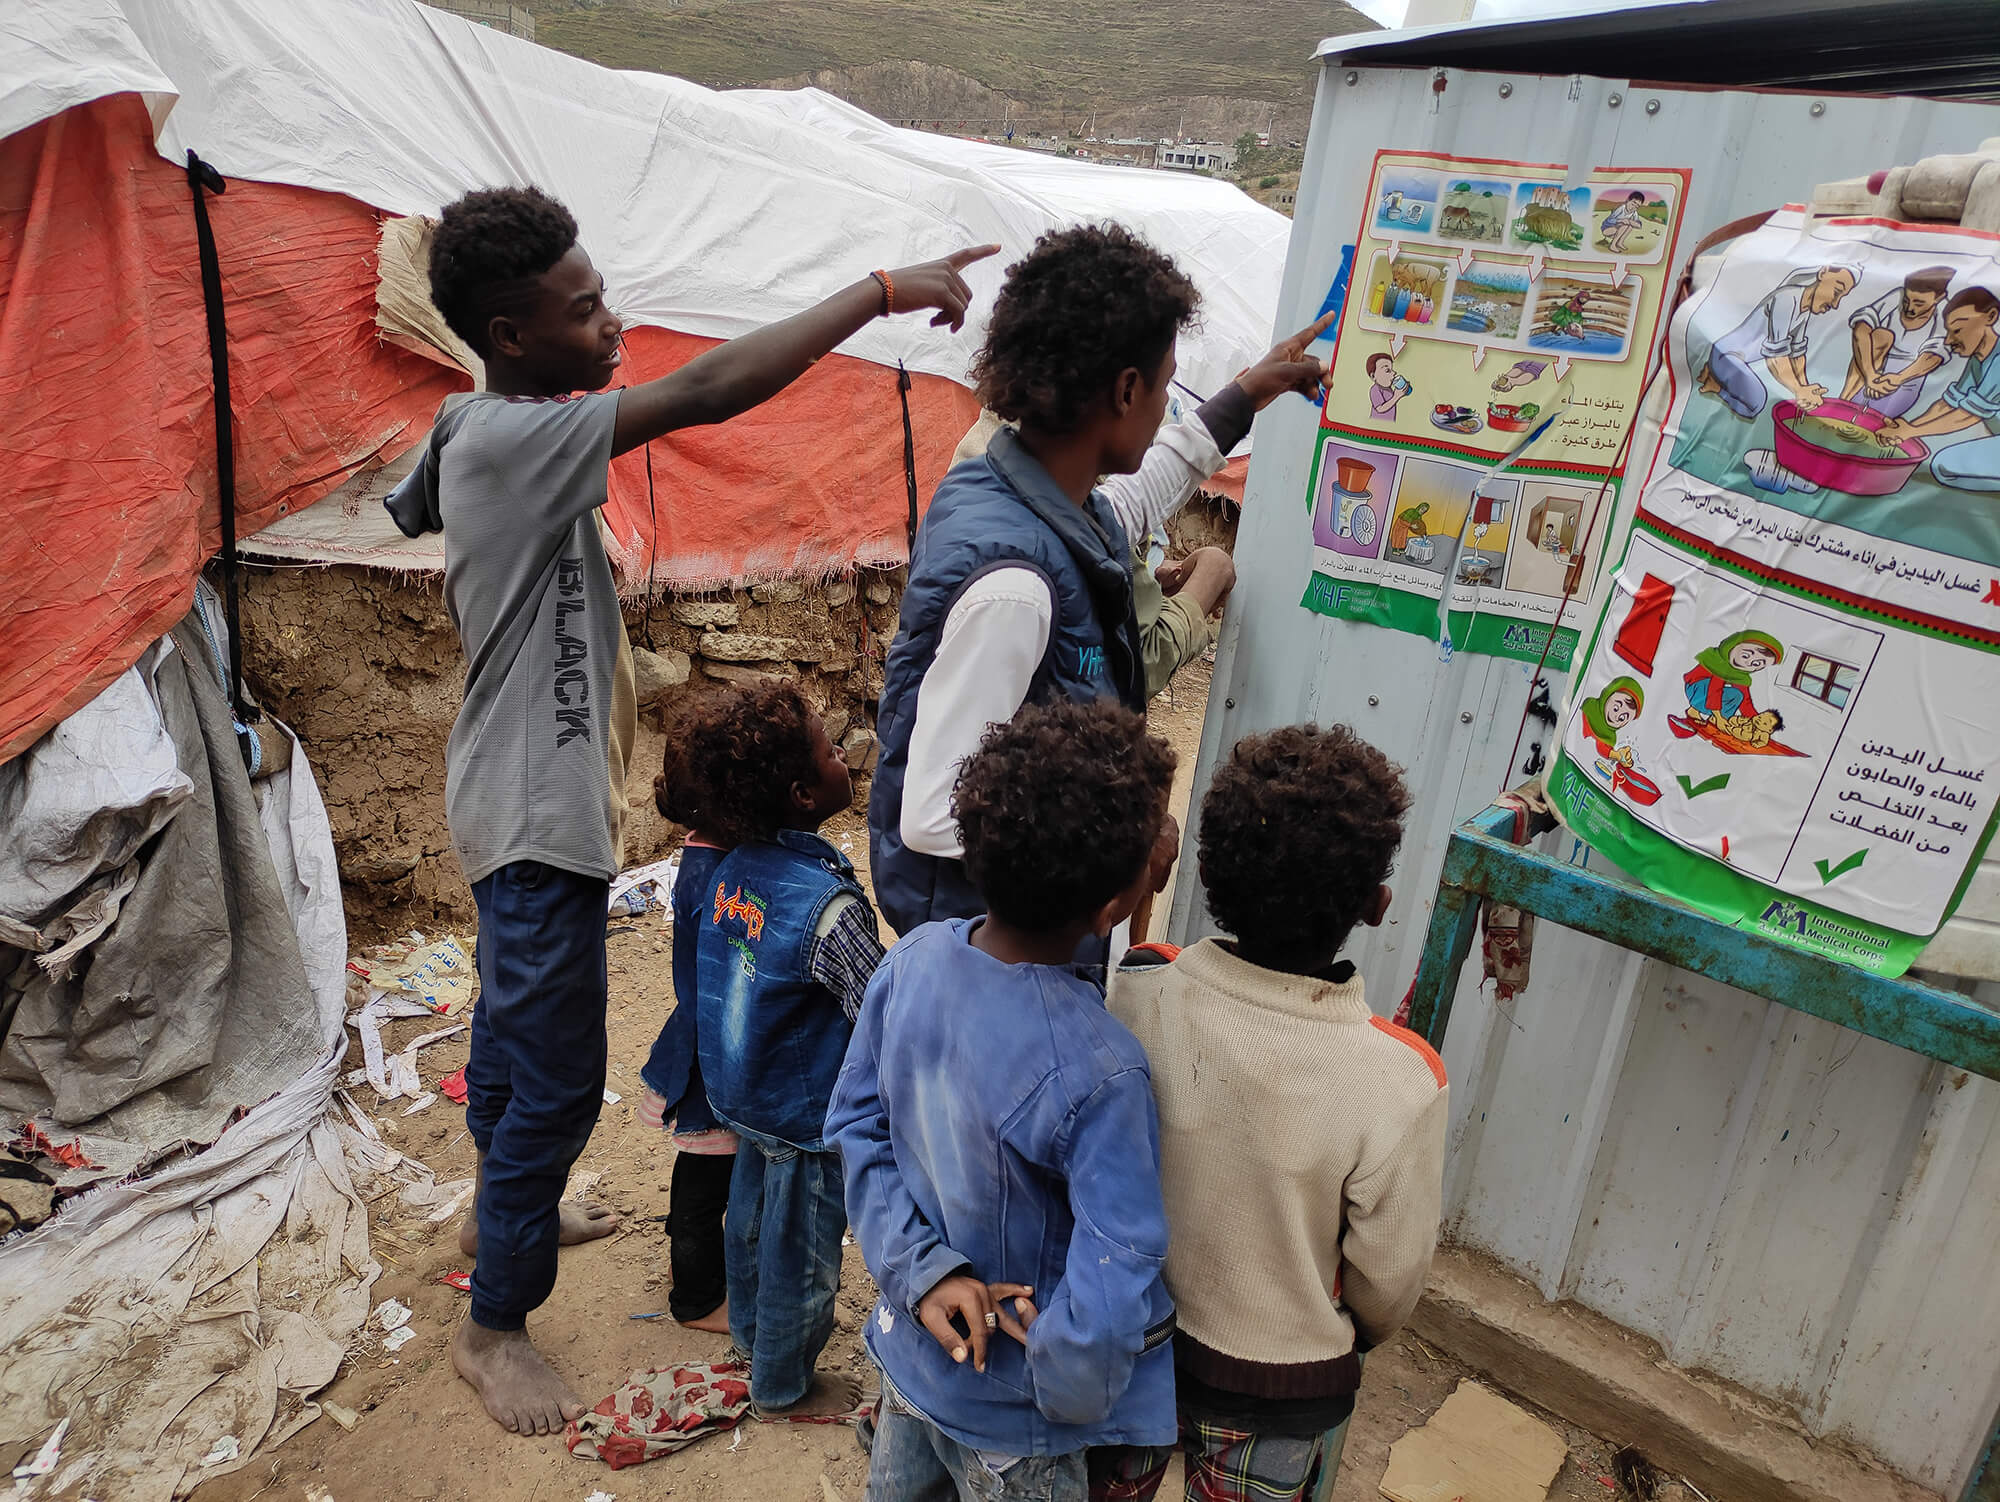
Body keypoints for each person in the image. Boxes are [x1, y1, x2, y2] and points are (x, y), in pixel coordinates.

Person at [385, 183, 992, 1434]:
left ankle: (508, 1193)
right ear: (509, 331)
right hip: (530, 812)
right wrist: (880, 292)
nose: (612, 319)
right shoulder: (510, 437)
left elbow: (417, 484)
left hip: (517, 791)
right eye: (585, 304)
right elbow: (709, 392)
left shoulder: (489, 420)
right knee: (555, 1077)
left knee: (511, 1033)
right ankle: (493, 1321)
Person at [870, 224, 1330, 937]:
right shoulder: (1015, 590)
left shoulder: (1027, 489)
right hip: (992, 959)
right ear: (1124, 390)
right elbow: (933, 817)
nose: (1168, 407)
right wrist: (1122, 852)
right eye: (1167, 382)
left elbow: (1145, 489)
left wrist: (1246, 395)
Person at [826, 700, 1181, 1500]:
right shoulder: (1103, 1070)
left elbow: (854, 1125)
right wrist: (1062, 1397)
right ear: (1114, 907)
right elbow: (1117, 1263)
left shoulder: (914, 958)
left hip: (918, 1357)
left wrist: (919, 1274)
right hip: (1019, 1420)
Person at [1102, 725, 1446, 1502]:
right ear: (1377, 903)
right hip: (1282, 1387)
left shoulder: (1141, 991)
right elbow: (1387, 1287)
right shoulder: (1402, 1078)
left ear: (1211, 874)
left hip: (1129, 1346)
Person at [687, 681, 885, 1417]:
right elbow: (877, 1011)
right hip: (806, 1117)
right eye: (834, 751)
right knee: (802, 1261)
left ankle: (748, 1341)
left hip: (746, 1095)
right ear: (804, 793)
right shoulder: (826, 908)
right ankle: (782, 1386)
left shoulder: (733, 870)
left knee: (749, 1229)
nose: (847, 758)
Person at [634, 693, 744, 1337]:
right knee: (705, 1181)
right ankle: (698, 1300)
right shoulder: (715, 873)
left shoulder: (708, 852)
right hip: (710, 1053)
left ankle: (699, 1271)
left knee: (705, 1177)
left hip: (705, 1040)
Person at [1696, 263, 1859, 420]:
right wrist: (1798, 390)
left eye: (1842, 297)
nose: (1835, 304)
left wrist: (1805, 387)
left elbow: (1797, 354)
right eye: (1837, 291)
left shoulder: (1804, 311)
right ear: (1823, 273)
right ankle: (1716, 385)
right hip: (1725, 356)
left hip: (1739, 362)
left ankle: (1715, 378)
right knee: (1756, 403)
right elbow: (1776, 356)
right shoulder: (1787, 299)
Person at [1878, 286, 2000, 491]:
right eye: (1949, 332)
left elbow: (1967, 416)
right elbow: (1947, 404)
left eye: (1958, 330)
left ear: (1991, 316)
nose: (1950, 341)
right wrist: (1907, 428)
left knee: (1944, 466)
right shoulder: (1977, 360)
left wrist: (1911, 431)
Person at [1840, 265, 1954, 418]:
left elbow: (1933, 357)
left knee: (1872, 421)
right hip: (1872, 366)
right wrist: (1871, 375)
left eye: (1919, 303)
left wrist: (1897, 379)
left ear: (1938, 298)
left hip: (1907, 377)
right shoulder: (1897, 296)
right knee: (1882, 335)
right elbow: (1861, 327)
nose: (1910, 308)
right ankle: (1842, 402)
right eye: (1907, 301)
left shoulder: (1945, 313)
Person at [1682, 630, 1783, 723]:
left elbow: (1745, 701)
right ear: (1732, 645)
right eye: (1745, 656)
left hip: (1710, 698)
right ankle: (1694, 711)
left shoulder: (1740, 676)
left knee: (1737, 695)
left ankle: (1718, 721)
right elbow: (1714, 689)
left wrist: (1755, 721)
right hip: (1695, 688)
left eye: (1756, 664)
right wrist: (1718, 716)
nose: (1747, 663)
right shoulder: (1717, 660)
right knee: (1714, 686)